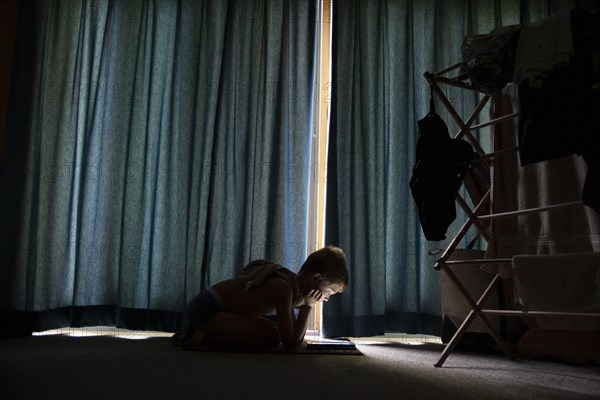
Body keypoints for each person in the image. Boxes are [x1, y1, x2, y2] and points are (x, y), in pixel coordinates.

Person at [172, 246, 349, 350]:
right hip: (206, 309)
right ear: (315, 278)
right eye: (330, 292)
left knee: (274, 334)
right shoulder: (284, 287)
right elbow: (290, 344)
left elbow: (293, 336)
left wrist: (306, 305)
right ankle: (197, 338)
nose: (326, 298)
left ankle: (201, 335)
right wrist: (308, 306)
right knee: (272, 336)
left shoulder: (292, 289)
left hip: (219, 310)